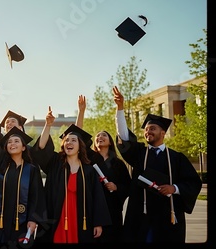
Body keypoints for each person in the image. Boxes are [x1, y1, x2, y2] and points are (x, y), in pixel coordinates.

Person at [113, 86, 202, 243]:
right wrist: (120, 109)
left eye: (152, 128)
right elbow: (124, 137)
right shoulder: (140, 153)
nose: (148, 132)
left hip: (168, 217)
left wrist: (174, 188)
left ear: (163, 133)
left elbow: (193, 182)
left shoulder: (176, 158)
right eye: (146, 130)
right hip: (142, 216)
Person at [32, 106, 111, 243]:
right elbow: (41, 148)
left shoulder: (88, 170)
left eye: (73, 140)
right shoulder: (56, 163)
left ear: (80, 146)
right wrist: (48, 125)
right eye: (67, 140)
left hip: (81, 218)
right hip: (56, 216)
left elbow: (97, 197)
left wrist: (98, 222)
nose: (69, 142)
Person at [0, 101, 45, 244]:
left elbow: (37, 197)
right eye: (9, 142)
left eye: (16, 141)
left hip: (22, 221)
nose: (12, 144)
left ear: (23, 147)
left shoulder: (31, 170)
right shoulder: (1, 165)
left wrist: (33, 219)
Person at [75, 94, 131, 242]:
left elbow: (128, 186)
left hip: (113, 210)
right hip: (93, 208)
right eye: (97, 136)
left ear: (110, 141)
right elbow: (77, 136)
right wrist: (81, 111)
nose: (100, 137)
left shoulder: (118, 164)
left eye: (103, 135)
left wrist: (116, 187)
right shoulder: (90, 158)